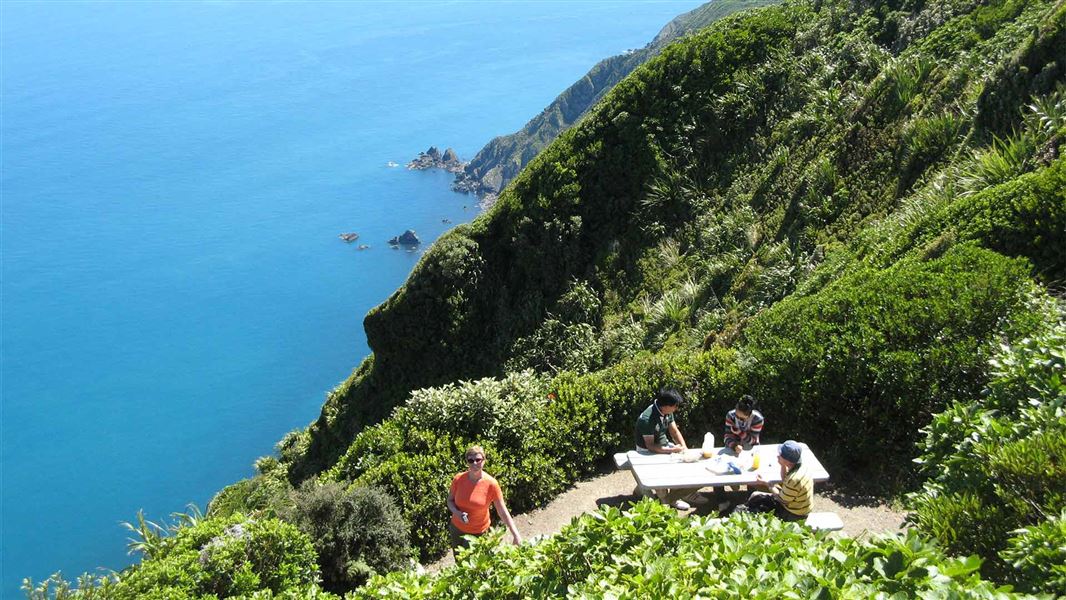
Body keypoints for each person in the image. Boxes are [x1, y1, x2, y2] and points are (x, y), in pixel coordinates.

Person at [447, 445, 522, 554]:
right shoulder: (458, 479)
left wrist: (516, 534)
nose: (475, 463)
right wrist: (457, 513)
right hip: (456, 530)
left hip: (478, 533)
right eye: (471, 460)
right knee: (460, 563)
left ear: (484, 461)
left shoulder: (491, 484)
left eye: (478, 460)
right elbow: (450, 501)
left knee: (474, 567)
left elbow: (502, 511)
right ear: (467, 462)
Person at [635, 389, 696, 510]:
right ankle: (664, 500)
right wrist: (673, 450)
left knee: (680, 465)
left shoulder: (667, 411)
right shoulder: (647, 419)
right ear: (666, 406)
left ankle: (675, 496)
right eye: (675, 406)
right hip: (645, 452)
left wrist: (684, 448)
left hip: (663, 445)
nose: (676, 409)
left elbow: (674, 431)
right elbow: (650, 446)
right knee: (660, 473)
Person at [736, 440, 812, 521]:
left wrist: (769, 485)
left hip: (793, 514)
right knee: (755, 495)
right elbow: (785, 480)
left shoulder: (794, 479)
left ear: (787, 460)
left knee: (756, 507)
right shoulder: (800, 467)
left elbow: (782, 500)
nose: (778, 455)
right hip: (795, 506)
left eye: (780, 454)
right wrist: (782, 465)